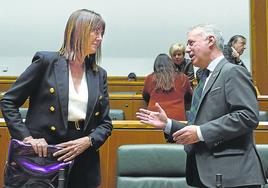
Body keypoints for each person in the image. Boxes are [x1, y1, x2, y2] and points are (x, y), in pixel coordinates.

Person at [137, 24, 267, 187]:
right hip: (207, 175)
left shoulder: (232, 71)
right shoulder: (203, 78)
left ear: (210, 41)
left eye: (191, 43)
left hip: (232, 176)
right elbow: (198, 126)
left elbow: (247, 117)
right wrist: (168, 124)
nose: (187, 50)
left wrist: (200, 132)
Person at [0, 9, 112, 188]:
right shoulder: (46, 62)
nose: (100, 38)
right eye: (95, 31)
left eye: (102, 33)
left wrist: (89, 140)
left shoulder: (99, 74)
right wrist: (27, 138)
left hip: (83, 157)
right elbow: (8, 101)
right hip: (45, 156)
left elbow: (105, 123)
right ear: (77, 30)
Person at [142, 53, 192, 121]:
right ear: (171, 64)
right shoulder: (183, 78)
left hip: (154, 117)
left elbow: (145, 96)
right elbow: (190, 96)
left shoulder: (150, 78)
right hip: (177, 119)